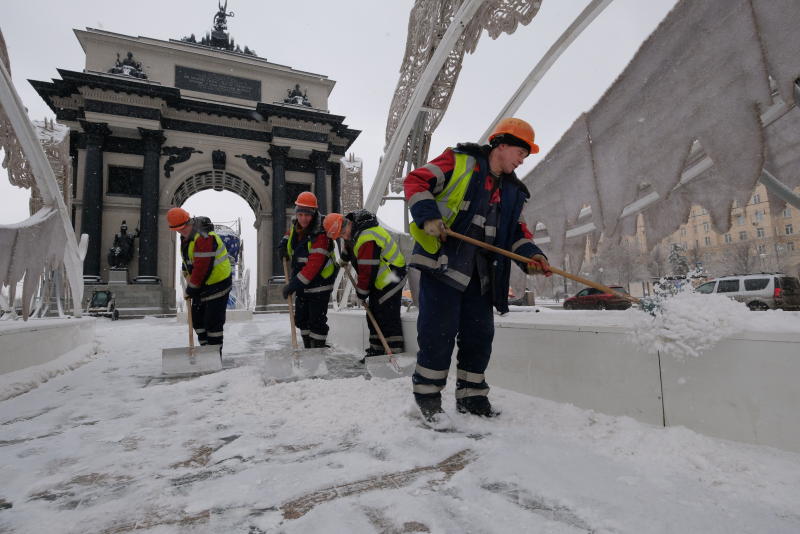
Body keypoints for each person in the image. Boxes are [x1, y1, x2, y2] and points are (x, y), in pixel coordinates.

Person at [403, 117, 552, 421]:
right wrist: (428, 216)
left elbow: (515, 232)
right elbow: (416, 182)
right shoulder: (459, 162)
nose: (523, 160)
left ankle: (471, 397)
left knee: (479, 336)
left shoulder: (513, 192)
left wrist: (532, 256)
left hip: (481, 276)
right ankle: (427, 398)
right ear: (502, 144)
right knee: (437, 334)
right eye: (521, 153)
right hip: (443, 267)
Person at [323, 210, 407, 359]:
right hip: (380, 279)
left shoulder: (367, 236)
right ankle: (377, 351)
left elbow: (367, 269)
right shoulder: (354, 232)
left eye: (343, 232)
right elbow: (350, 247)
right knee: (374, 313)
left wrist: (361, 292)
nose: (344, 236)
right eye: (340, 236)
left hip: (392, 276)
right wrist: (344, 259)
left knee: (387, 314)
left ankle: (394, 352)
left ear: (346, 223)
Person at [167, 207, 232, 353]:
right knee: (197, 321)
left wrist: (192, 287)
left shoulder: (204, 237)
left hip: (218, 284)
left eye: (183, 229)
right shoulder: (186, 237)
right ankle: (205, 352)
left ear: (189, 222)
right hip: (202, 284)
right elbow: (189, 261)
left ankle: (214, 355)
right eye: (177, 230)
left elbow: (203, 266)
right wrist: (186, 273)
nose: (181, 232)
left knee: (212, 322)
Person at [279, 191, 338, 348]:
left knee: (316, 321)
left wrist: (293, 285)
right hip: (303, 284)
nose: (304, 219)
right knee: (301, 319)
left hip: (320, 283)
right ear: (296, 213)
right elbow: (288, 235)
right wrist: (283, 246)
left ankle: (317, 351)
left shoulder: (320, 233)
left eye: (308, 215)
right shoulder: (296, 225)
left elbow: (314, 266)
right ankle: (308, 349)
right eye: (301, 214)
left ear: (314, 214)